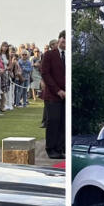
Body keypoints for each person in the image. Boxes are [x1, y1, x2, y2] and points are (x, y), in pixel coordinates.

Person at [40, 30, 65, 159]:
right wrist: (57, 90)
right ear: (59, 40)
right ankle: (51, 148)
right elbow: (45, 73)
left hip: (66, 95)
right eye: (63, 40)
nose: (64, 43)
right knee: (53, 121)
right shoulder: (49, 55)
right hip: (52, 94)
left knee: (63, 122)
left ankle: (60, 148)